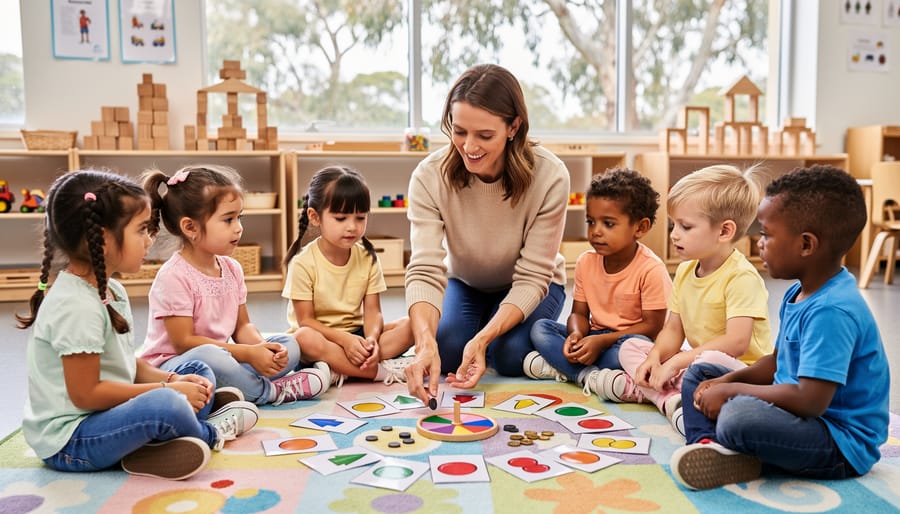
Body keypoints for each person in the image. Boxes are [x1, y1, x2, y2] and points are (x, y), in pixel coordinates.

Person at [17, 170, 259, 481]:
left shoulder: (110, 290)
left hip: (104, 415)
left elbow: (123, 363)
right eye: (142, 230)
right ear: (103, 238)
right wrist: (166, 388)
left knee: (197, 370)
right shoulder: (75, 307)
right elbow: (86, 395)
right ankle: (208, 432)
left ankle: (162, 439)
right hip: (72, 440)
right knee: (166, 403)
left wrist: (171, 377)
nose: (150, 239)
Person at [670, 165, 890, 490]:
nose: (759, 242)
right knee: (700, 374)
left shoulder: (832, 310)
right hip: (798, 415)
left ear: (806, 245)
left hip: (837, 442)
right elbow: (775, 363)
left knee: (739, 416)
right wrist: (724, 380)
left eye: (767, 234)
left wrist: (731, 391)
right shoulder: (799, 291)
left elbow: (809, 400)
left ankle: (732, 444)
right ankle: (709, 448)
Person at [404, 63, 570, 403]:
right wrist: (424, 343)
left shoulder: (550, 176)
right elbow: (425, 268)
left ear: (513, 127)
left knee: (508, 355)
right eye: (459, 131)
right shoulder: (428, 176)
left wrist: (482, 339)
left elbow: (533, 276)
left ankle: (492, 332)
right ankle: (472, 327)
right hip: (467, 282)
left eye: (484, 135)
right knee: (447, 351)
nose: (469, 146)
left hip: (533, 284)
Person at [599, 164, 773, 436]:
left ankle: (652, 390)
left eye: (686, 226)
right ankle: (669, 398)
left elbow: (736, 343)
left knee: (707, 359)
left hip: (737, 372)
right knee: (632, 346)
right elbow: (672, 330)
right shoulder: (684, 271)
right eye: (673, 224)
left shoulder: (742, 277)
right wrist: (656, 358)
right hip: (695, 365)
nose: (674, 234)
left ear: (724, 231)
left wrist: (675, 363)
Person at [139, 165, 328, 406]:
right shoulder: (173, 277)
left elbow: (242, 326)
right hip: (178, 365)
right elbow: (184, 342)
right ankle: (270, 392)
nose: (238, 227)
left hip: (226, 356)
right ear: (190, 227)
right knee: (211, 358)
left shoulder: (232, 268)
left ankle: (234, 389)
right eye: (228, 219)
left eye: (240, 217)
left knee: (289, 344)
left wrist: (262, 348)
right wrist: (248, 354)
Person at [527, 168, 672, 395]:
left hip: (630, 344)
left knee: (623, 354)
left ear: (640, 227)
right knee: (540, 329)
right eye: (591, 222)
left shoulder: (651, 268)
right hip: (595, 336)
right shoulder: (586, 262)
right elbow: (579, 314)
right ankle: (589, 376)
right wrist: (576, 335)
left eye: (609, 224)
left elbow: (651, 327)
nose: (596, 232)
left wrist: (602, 342)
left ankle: (567, 369)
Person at [282, 166, 414, 385]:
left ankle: (340, 368)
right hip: (322, 338)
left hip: (357, 336)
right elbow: (306, 320)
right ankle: (380, 372)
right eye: (341, 218)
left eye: (360, 218)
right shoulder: (303, 263)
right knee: (303, 338)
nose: (352, 227)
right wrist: (344, 339)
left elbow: (373, 312)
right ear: (315, 217)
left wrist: (371, 340)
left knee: (413, 323)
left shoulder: (367, 258)